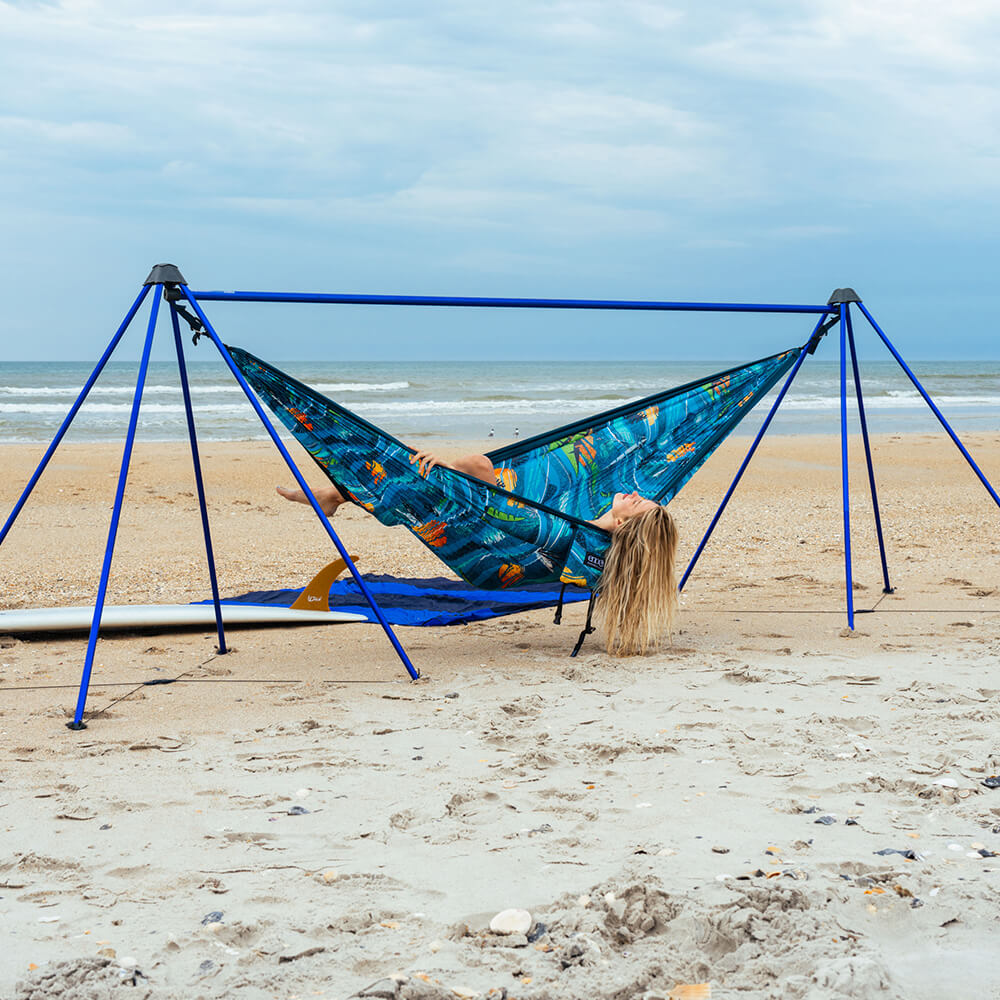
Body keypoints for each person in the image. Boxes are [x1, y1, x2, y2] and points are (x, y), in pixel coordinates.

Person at [277, 448, 678, 656]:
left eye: (639, 503)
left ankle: (333, 495)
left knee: (464, 467)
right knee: (470, 466)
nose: (636, 494)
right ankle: (335, 495)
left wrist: (447, 478)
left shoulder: (571, 535)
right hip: (516, 532)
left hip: (501, 553)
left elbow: (506, 517)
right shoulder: (594, 535)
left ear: (624, 525)